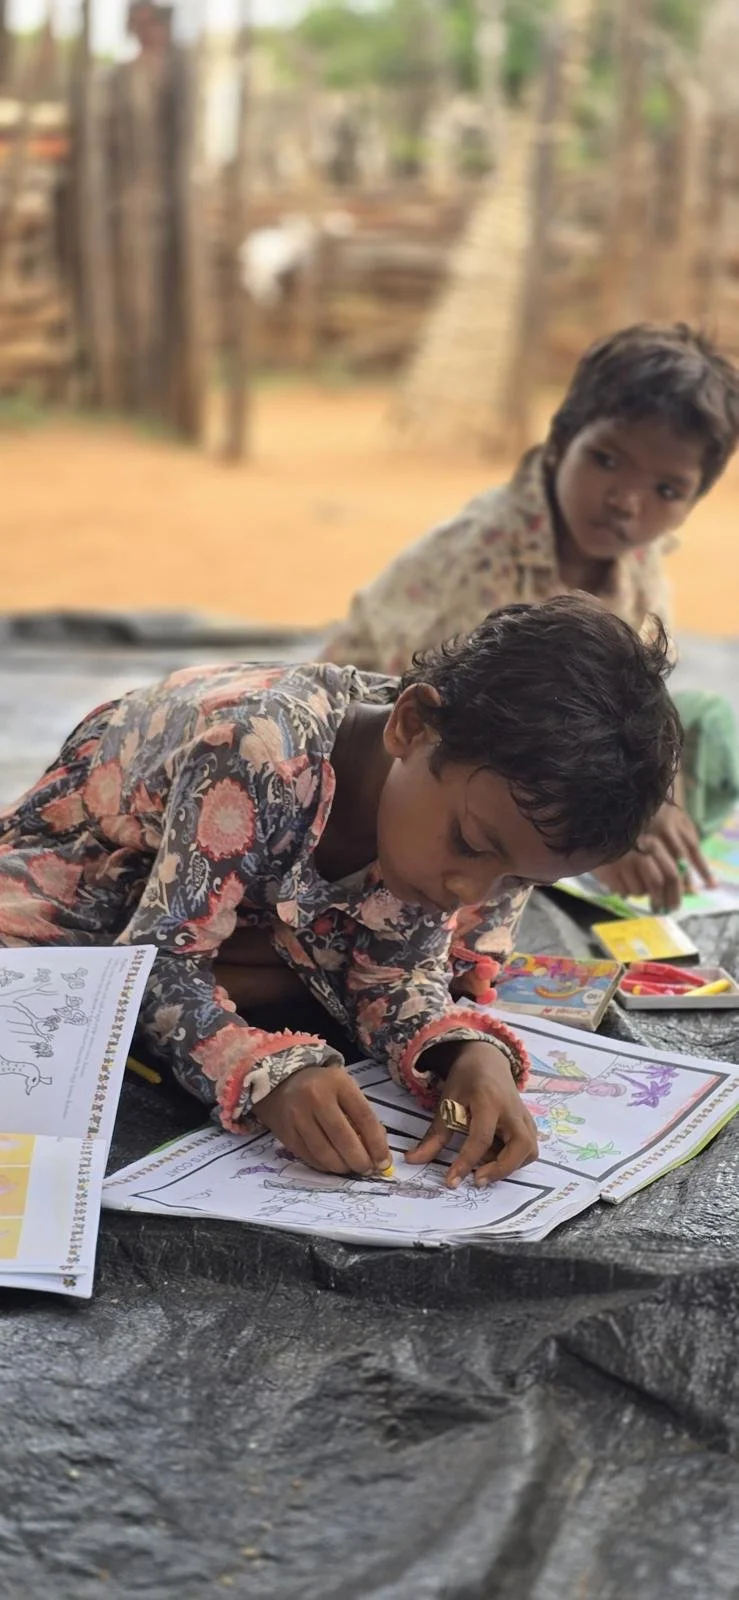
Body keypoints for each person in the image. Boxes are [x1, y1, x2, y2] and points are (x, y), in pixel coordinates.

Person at [0, 598, 681, 1187]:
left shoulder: (475, 810)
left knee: (343, 965)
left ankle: (252, 940)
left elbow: (398, 969)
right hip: (110, 847)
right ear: (409, 726)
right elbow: (155, 962)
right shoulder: (261, 753)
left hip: (246, 873)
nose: (465, 891)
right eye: (471, 845)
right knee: (67, 985)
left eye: (517, 881)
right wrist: (270, 1074)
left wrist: (463, 1053)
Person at [322, 323, 739, 912]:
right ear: (562, 439)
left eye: (667, 489)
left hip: (526, 751)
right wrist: (598, 838)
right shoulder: (487, 553)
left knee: (702, 728)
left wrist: (656, 807)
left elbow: (638, 693)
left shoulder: (639, 562)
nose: (627, 501)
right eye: (607, 460)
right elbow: (467, 724)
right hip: (394, 760)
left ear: (691, 505)